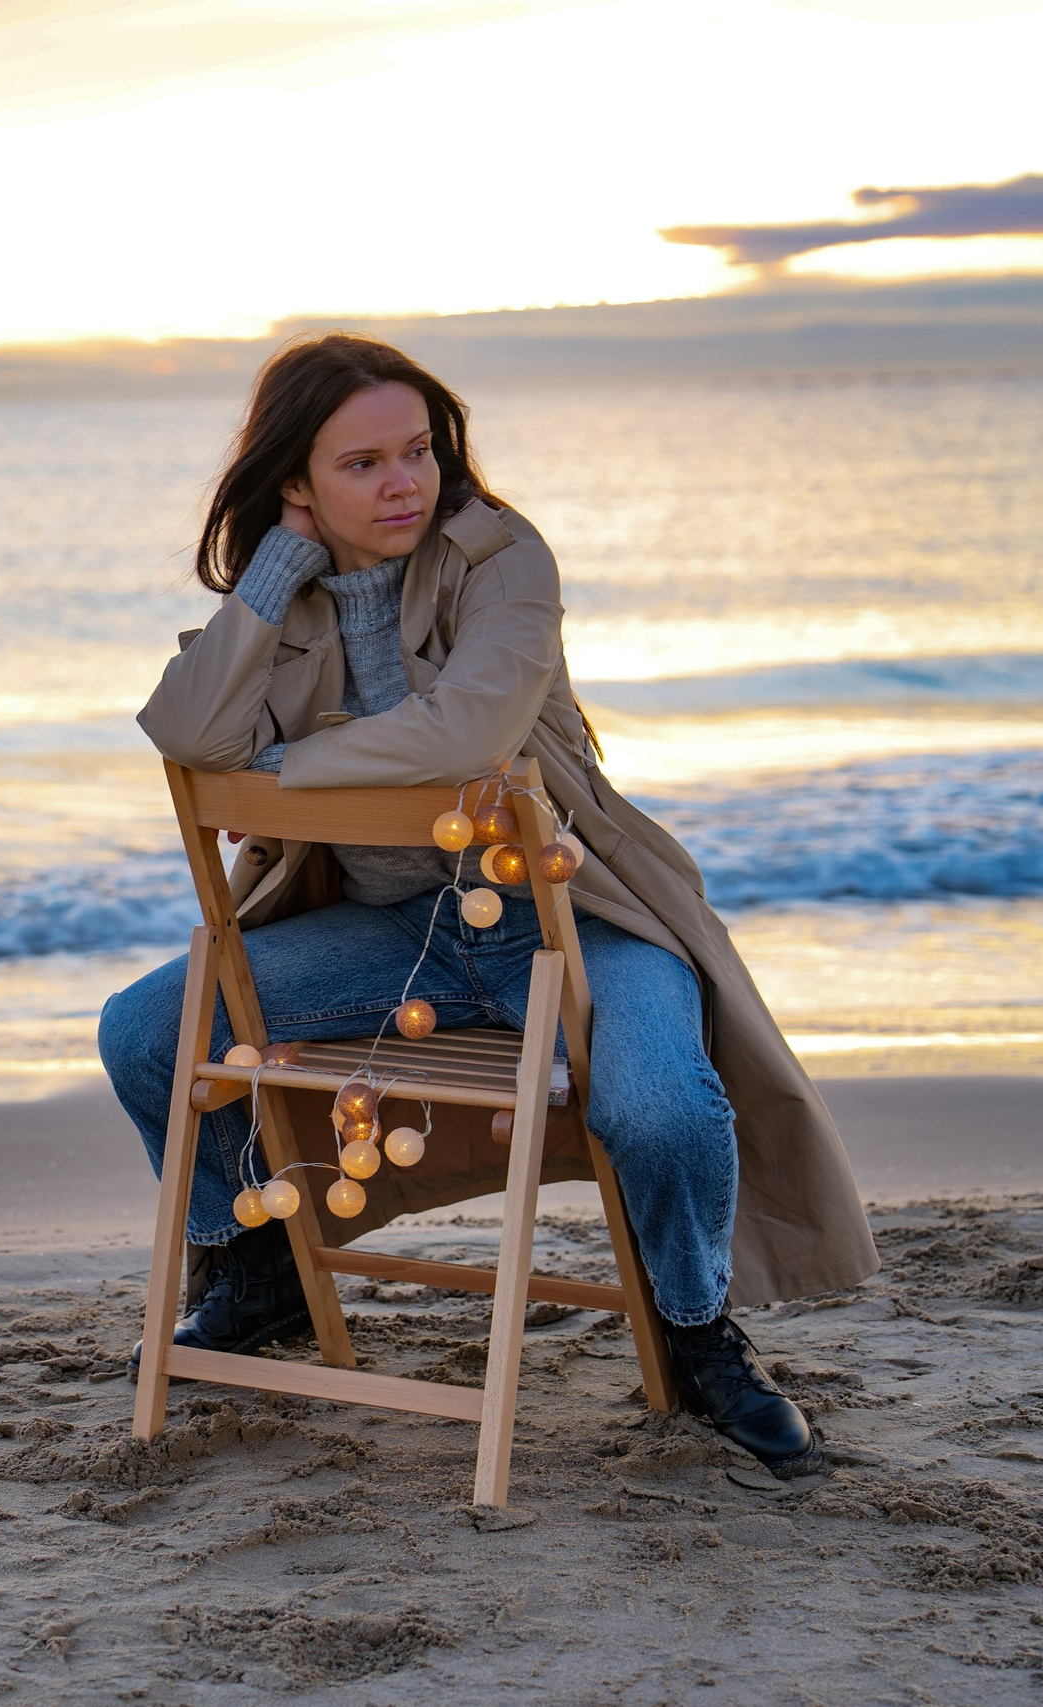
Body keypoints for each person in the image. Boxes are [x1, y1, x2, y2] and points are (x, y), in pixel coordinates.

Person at [98, 333, 877, 1477]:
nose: (404, 480)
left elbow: (469, 733)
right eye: (360, 464)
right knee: (145, 1035)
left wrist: (283, 774)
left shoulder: (504, 558)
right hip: (393, 938)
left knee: (663, 1111)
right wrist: (274, 572)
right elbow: (183, 734)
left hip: (572, 918)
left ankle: (696, 1330)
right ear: (295, 484)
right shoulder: (286, 593)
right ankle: (258, 1265)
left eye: (415, 450)